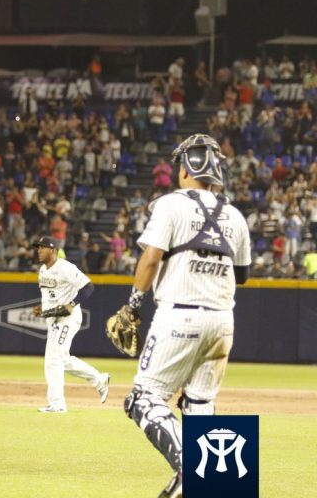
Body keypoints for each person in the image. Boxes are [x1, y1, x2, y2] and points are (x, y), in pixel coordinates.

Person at [109, 133, 251, 498]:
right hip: (223, 322)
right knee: (199, 403)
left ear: (188, 168)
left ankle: (195, 469)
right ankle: (213, 485)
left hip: (179, 315)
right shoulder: (235, 215)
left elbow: (151, 257)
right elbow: (243, 275)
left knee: (143, 399)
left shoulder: (170, 205)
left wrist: (133, 305)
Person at [31, 236, 110, 413]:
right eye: (38, 247)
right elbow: (50, 299)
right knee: (61, 359)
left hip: (69, 318)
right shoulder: (43, 271)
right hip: (54, 319)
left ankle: (57, 404)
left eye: (42, 247)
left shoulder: (65, 267)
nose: (38, 250)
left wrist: (72, 304)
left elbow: (88, 287)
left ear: (53, 250)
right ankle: (99, 379)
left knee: (53, 359)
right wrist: (41, 309)